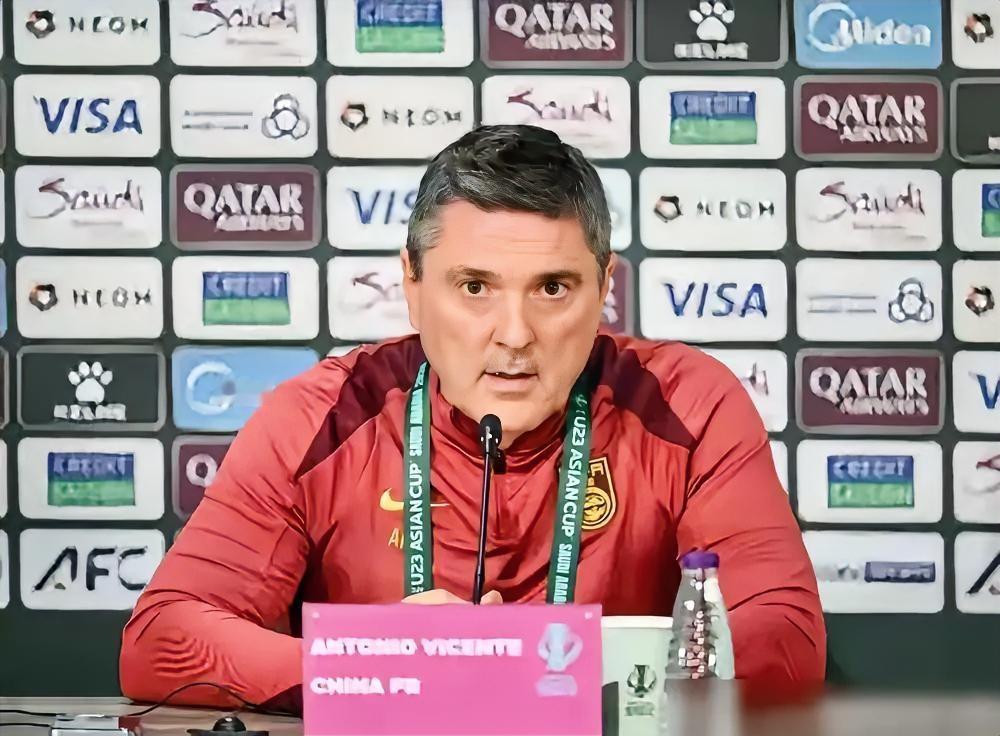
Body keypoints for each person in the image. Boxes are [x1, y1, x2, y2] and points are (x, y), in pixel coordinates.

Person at [119, 124, 825, 711]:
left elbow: (786, 640)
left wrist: (542, 673)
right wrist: (376, 666)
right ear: (412, 284)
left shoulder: (689, 403)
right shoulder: (321, 416)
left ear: (605, 287)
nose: (514, 335)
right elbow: (163, 638)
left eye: (553, 287)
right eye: (475, 287)